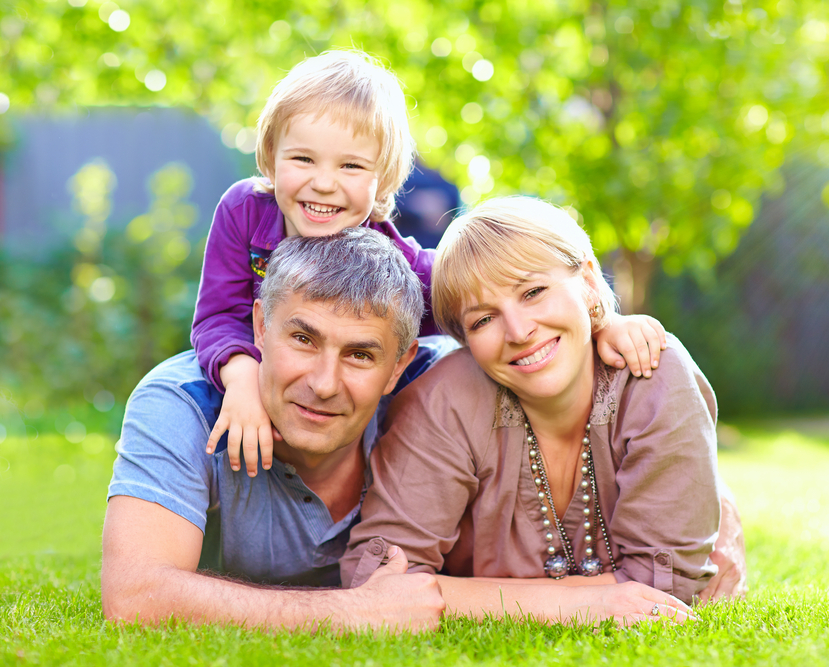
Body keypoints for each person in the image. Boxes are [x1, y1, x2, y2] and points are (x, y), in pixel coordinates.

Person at [191, 49, 673, 480]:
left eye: (351, 166)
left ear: (382, 180)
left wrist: (602, 320)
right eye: (303, 159)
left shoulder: (399, 266)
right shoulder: (246, 212)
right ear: (271, 157)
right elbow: (217, 315)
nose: (323, 183)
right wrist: (242, 382)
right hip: (257, 381)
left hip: (356, 417)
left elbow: (488, 294)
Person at [342, 197, 746, 626]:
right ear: (465, 342)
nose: (518, 331)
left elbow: (666, 589)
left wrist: (457, 595)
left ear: (589, 282)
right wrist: (582, 605)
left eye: (533, 292)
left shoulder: (653, 375)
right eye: (483, 320)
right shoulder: (444, 400)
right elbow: (378, 581)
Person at [102, 229, 447, 632]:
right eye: (303, 339)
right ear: (261, 327)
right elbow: (134, 596)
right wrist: (356, 611)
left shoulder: (439, 398)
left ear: (399, 366)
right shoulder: (183, 402)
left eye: (359, 354)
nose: (324, 384)